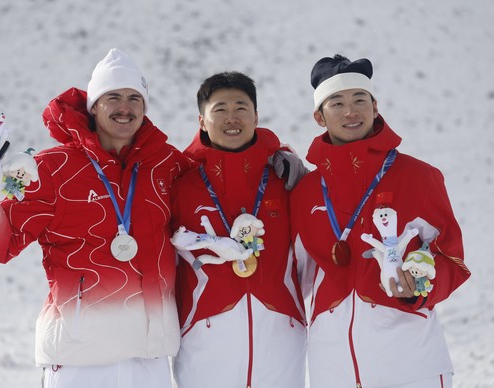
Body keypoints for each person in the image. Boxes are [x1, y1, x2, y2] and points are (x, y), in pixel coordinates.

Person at [0, 48, 194, 388]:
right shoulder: (53, 168)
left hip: (149, 360)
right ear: (94, 106)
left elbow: (213, 189)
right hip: (79, 361)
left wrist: (276, 164)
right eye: (113, 97)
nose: (125, 108)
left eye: (134, 98)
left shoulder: (165, 165)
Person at [290, 54, 471, 388]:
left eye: (360, 99)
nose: (351, 111)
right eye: (337, 102)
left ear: (375, 106)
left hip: (410, 360)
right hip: (332, 365)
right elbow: (293, 273)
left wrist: (419, 288)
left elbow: (453, 260)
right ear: (319, 116)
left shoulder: (418, 176)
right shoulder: (306, 191)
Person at [169, 72, 307, 388]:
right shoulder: (180, 183)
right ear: (201, 120)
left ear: (256, 116)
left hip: (280, 330)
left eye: (241, 107)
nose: (232, 118)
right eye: (220, 109)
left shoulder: (284, 178)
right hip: (203, 333)